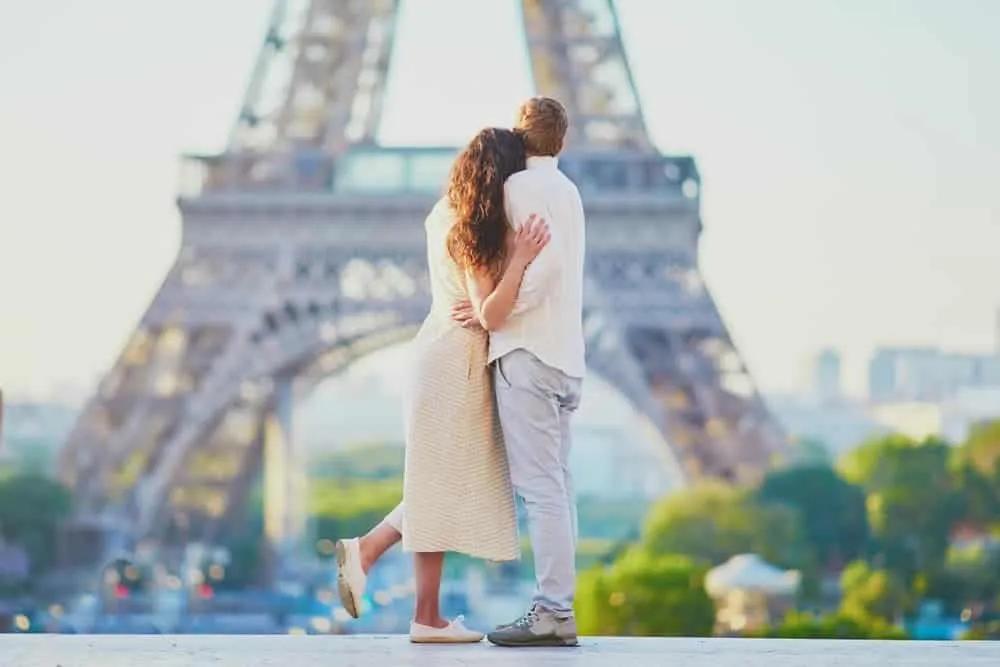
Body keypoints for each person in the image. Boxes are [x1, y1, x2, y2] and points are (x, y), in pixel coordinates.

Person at [334, 127, 550, 643]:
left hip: (438, 350)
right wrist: (519, 259)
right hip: (456, 361)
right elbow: (488, 312)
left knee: (439, 483)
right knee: (439, 484)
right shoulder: (477, 231)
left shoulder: (444, 215)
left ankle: (402, 590)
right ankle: (413, 603)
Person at [453, 96, 585, 648]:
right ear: (561, 140)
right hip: (567, 360)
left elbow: (534, 275)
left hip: (526, 356)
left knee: (540, 490)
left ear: (519, 134)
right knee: (558, 487)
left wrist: (498, 303)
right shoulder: (570, 191)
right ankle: (559, 605)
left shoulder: (514, 191)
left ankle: (553, 610)